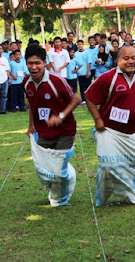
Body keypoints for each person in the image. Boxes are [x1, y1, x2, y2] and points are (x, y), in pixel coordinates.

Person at [85, 45, 135, 206]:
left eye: (133, 58)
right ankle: (103, 197)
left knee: (133, 164)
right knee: (108, 163)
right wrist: (97, 119)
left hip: (131, 132)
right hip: (109, 130)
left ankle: (127, 195)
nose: (130, 61)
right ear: (117, 61)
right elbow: (89, 97)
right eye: (126, 58)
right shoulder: (107, 78)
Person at [23, 44, 81, 206]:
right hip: (43, 132)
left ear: (45, 63)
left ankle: (61, 197)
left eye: (37, 63)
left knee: (57, 169)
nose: (34, 67)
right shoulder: (26, 83)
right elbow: (32, 106)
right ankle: (67, 174)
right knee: (44, 168)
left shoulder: (57, 81)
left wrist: (61, 116)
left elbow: (76, 99)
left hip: (65, 130)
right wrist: (31, 126)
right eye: (30, 63)